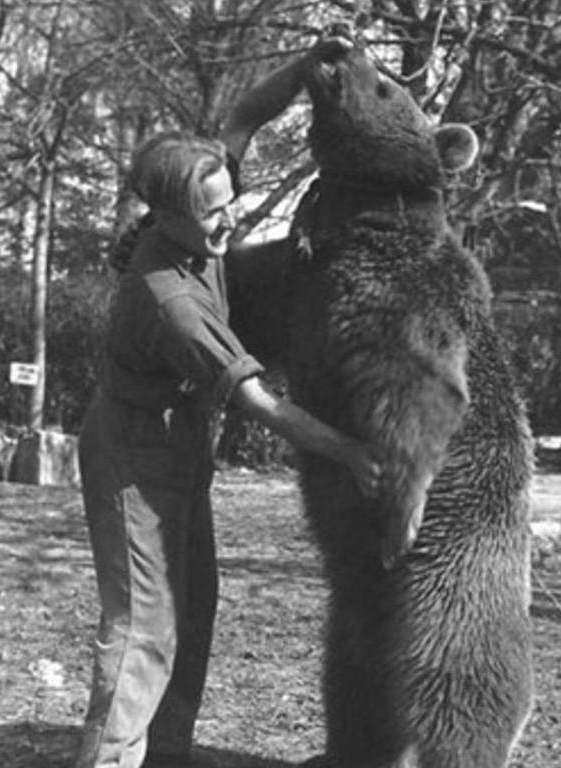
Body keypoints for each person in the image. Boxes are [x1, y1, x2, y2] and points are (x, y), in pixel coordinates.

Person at [75, 36, 380, 768]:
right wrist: (349, 451)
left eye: (231, 201)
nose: (231, 220)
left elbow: (246, 111)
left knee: (194, 607)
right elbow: (261, 405)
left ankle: (167, 754)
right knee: (143, 625)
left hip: (181, 444)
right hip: (131, 459)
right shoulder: (167, 301)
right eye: (214, 214)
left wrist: (308, 67)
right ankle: (108, 759)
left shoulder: (199, 206)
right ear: (166, 214)